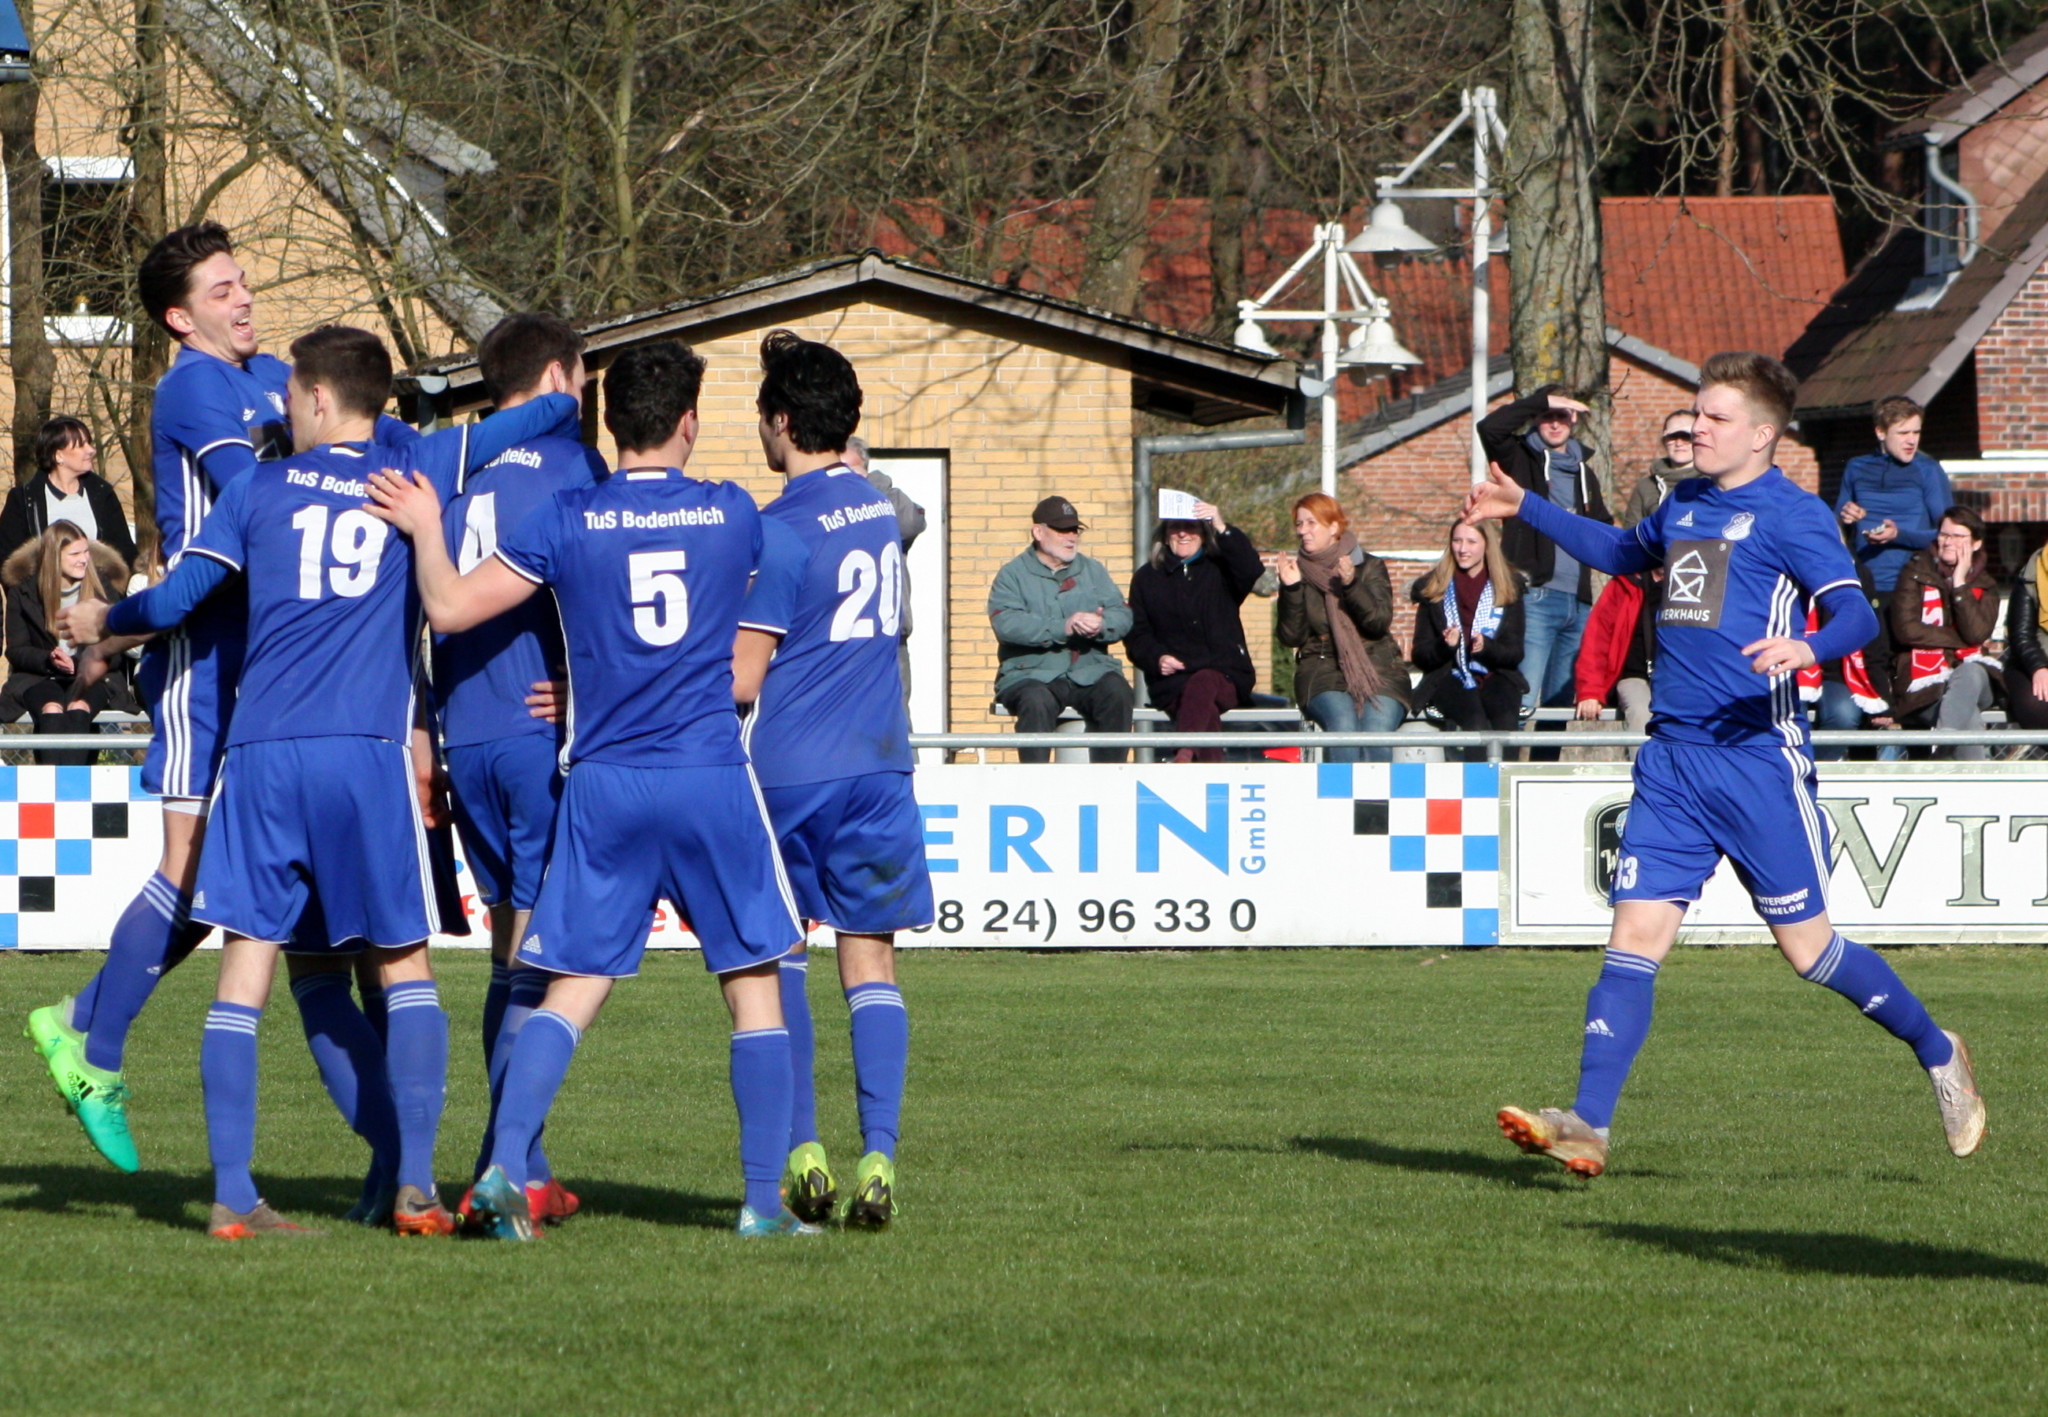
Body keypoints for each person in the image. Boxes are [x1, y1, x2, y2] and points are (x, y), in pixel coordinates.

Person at [65, 326, 577, 1238]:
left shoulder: (258, 487)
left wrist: (107, 617)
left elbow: (180, 602)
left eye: (291, 395)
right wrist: (560, 399)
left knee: (247, 972)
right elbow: (532, 417)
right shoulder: (410, 465)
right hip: (364, 756)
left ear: (314, 399)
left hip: (261, 758)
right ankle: (417, 1185)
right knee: (402, 965)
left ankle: (231, 1195)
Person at [1465, 349, 1982, 1178]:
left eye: (1713, 418)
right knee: (1632, 938)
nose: (1695, 428)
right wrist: (1524, 502)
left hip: (1755, 758)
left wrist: (1804, 645)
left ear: (1763, 436)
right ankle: (1588, 1123)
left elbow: (1853, 613)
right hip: (1672, 757)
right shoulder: (1685, 502)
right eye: (1696, 414)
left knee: (1810, 952)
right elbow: (1617, 549)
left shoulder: (1794, 514)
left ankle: (1937, 1049)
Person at [367, 340, 813, 1242]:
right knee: (754, 984)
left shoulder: (569, 516)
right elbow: (790, 563)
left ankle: (502, 1169)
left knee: (569, 987)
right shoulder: (731, 513)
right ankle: (764, 1205)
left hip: (604, 782)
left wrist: (423, 526)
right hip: (706, 776)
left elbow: (449, 610)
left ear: (609, 424)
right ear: (690, 421)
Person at [730, 330, 934, 1229]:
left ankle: (806, 1151)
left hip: (789, 771)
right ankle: (879, 1155)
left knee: (780, 961)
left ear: (781, 421)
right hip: (880, 764)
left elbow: (742, 676)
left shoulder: (779, 532)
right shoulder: (881, 513)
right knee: (872, 961)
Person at [434, 312, 607, 1232]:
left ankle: (522, 1159)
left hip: (464, 725)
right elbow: (604, 578)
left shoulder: (451, 469)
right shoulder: (570, 462)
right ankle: (508, 1167)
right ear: (553, 378)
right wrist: (580, 681)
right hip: (536, 724)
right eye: (578, 381)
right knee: (544, 951)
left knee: (509, 944)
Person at [1476, 384, 1611, 713]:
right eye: (1547, 416)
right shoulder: (1519, 457)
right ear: (1536, 419)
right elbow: (1489, 428)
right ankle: (1503, 764)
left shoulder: (1585, 473)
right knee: (1522, 697)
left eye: (1561, 417)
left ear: (1573, 420)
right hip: (1537, 595)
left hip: (1577, 602)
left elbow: (1603, 527)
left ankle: (1545, 766)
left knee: (1559, 704)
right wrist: (1544, 400)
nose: (1554, 424)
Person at [988, 496, 1135, 763]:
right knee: (1035, 701)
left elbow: (1122, 613)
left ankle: (1111, 782)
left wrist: (1103, 624)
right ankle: (1036, 786)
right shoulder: (1012, 575)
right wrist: (1063, 627)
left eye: (1074, 530)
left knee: (1118, 693)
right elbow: (1007, 624)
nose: (1071, 537)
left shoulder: (1093, 571)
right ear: (1038, 532)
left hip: (1090, 670)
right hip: (1031, 672)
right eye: (1062, 530)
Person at [1124, 501, 1263, 763]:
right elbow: (1137, 634)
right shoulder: (1146, 578)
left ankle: (1184, 753)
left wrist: (1221, 525)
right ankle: (1209, 781)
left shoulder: (1221, 570)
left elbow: (1251, 568)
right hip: (1173, 680)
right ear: (1165, 535)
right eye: (1175, 527)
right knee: (1203, 710)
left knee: (1204, 682)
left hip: (1225, 673)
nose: (1183, 534)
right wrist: (1157, 658)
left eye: (1191, 527)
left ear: (1203, 532)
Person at [1275, 492, 1407, 763]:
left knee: (1375, 732)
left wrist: (1351, 586)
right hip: (1321, 667)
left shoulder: (1367, 566)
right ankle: (1342, 802)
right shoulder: (1298, 571)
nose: (1303, 531)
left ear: (1334, 527)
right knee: (1343, 728)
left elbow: (1378, 622)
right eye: (1299, 524)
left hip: (1378, 666)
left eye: (1311, 523)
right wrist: (1291, 589)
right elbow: (1291, 637)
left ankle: (1375, 803)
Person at [3, 521, 132, 763]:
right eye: (75, 554)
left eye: (86, 552)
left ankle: (75, 792)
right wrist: (48, 659)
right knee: (51, 708)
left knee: (78, 706)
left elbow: (116, 649)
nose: (84, 559)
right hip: (39, 676)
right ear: (54, 557)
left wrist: (78, 661)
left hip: (93, 675)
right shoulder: (23, 592)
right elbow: (17, 650)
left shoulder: (103, 590)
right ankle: (54, 790)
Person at [1887, 506, 2000, 760]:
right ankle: (1968, 779)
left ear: (1976, 543)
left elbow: (1977, 632)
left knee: (1970, 672)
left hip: (1974, 681)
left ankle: (1939, 752)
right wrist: (1959, 640)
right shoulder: (1915, 573)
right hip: (1923, 682)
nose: (1948, 542)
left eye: (1958, 536)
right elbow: (1907, 630)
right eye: (1944, 534)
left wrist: (1959, 584)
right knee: (1966, 717)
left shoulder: (1986, 585)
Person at [1409, 519, 1526, 740]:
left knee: (1505, 721)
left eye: (1471, 542)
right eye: (1457, 541)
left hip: (1497, 673)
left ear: (1487, 545)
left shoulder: (1508, 587)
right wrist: (1445, 646)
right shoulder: (1432, 588)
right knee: (1475, 723)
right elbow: (1420, 655)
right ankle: (1477, 775)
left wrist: (1486, 647)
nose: (1463, 549)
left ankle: (1505, 775)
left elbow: (1514, 652)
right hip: (1447, 675)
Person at [1836, 395, 1953, 602]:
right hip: (1863, 584)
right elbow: (1835, 532)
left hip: (1913, 585)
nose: (1912, 440)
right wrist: (1846, 519)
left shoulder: (1928, 470)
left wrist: (1898, 535)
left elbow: (1948, 535)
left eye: (1916, 432)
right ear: (1880, 432)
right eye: (1903, 433)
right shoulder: (1856, 468)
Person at [843, 433, 924, 708]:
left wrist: (868, 484)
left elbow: (910, 522)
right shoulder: (831, 502)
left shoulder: (885, 497)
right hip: (842, 638)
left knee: (896, 725)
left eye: (848, 471)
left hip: (889, 640)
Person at [0, 416, 138, 568]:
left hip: (97, 590)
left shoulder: (103, 494)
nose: (91, 450)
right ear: (58, 456)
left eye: (89, 443)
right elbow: (8, 560)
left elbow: (125, 552)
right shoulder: (24, 500)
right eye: (81, 445)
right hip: (44, 590)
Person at [1573, 569, 1663, 736]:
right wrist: (1590, 691)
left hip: (1677, 681)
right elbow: (1596, 639)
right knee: (1640, 711)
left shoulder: (1695, 588)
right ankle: (1642, 762)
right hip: (1635, 677)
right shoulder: (1625, 583)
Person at [1619, 410, 1702, 529]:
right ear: (1664, 441)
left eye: (1686, 437)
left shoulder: (1714, 482)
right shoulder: (1646, 486)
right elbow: (1631, 534)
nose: (1679, 443)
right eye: (1672, 437)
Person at [2001, 534, 2048, 733]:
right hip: (2033, 661)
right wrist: (2039, 666)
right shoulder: (2032, 572)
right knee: (2036, 704)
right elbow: (2020, 633)